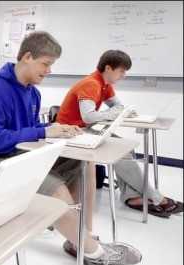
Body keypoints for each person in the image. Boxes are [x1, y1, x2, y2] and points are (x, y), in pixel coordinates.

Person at [0, 31, 142, 265]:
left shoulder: (32, 92)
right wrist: (44, 133)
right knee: (55, 187)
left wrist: (51, 128)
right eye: (46, 64)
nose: (49, 70)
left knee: (83, 164)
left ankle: (81, 238)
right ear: (27, 57)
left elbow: (28, 130)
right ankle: (93, 250)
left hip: (19, 155)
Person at [57, 50, 183, 217]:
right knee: (120, 153)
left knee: (126, 150)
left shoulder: (105, 85)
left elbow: (118, 107)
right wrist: (114, 112)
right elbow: (88, 117)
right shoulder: (91, 83)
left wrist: (125, 111)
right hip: (71, 131)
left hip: (84, 130)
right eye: (122, 71)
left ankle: (132, 197)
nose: (123, 75)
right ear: (108, 68)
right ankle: (155, 196)